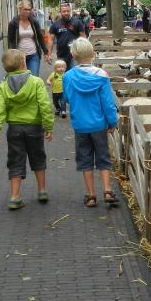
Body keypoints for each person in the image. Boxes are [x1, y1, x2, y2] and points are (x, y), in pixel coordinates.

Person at [0, 49, 54, 210]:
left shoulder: (3, 86)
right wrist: (48, 126)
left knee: (15, 160)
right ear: (24, 63)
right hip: (34, 127)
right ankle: (42, 190)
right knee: (38, 157)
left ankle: (15, 197)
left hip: (15, 129)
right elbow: (45, 105)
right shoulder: (37, 82)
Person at [63, 38, 119, 208]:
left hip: (80, 124)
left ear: (73, 55)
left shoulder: (68, 76)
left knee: (84, 158)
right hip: (99, 124)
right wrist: (112, 122)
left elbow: (66, 98)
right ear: (93, 54)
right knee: (103, 156)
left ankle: (91, 195)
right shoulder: (102, 76)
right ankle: (108, 190)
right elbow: (108, 103)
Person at [7, 0, 47, 77]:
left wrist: (45, 52)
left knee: (34, 78)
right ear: (20, 9)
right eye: (25, 9)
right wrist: (11, 54)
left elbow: (40, 37)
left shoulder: (34, 22)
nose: (28, 12)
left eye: (29, 9)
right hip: (19, 56)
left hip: (33, 54)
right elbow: (10, 40)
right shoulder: (13, 23)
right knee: (21, 79)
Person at [46, 3, 86, 70]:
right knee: (61, 76)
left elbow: (83, 37)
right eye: (64, 11)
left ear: (70, 11)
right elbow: (51, 39)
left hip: (74, 54)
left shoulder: (77, 22)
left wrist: (84, 52)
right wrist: (49, 54)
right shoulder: (56, 24)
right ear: (60, 12)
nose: (66, 13)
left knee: (73, 75)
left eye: (68, 11)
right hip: (61, 55)